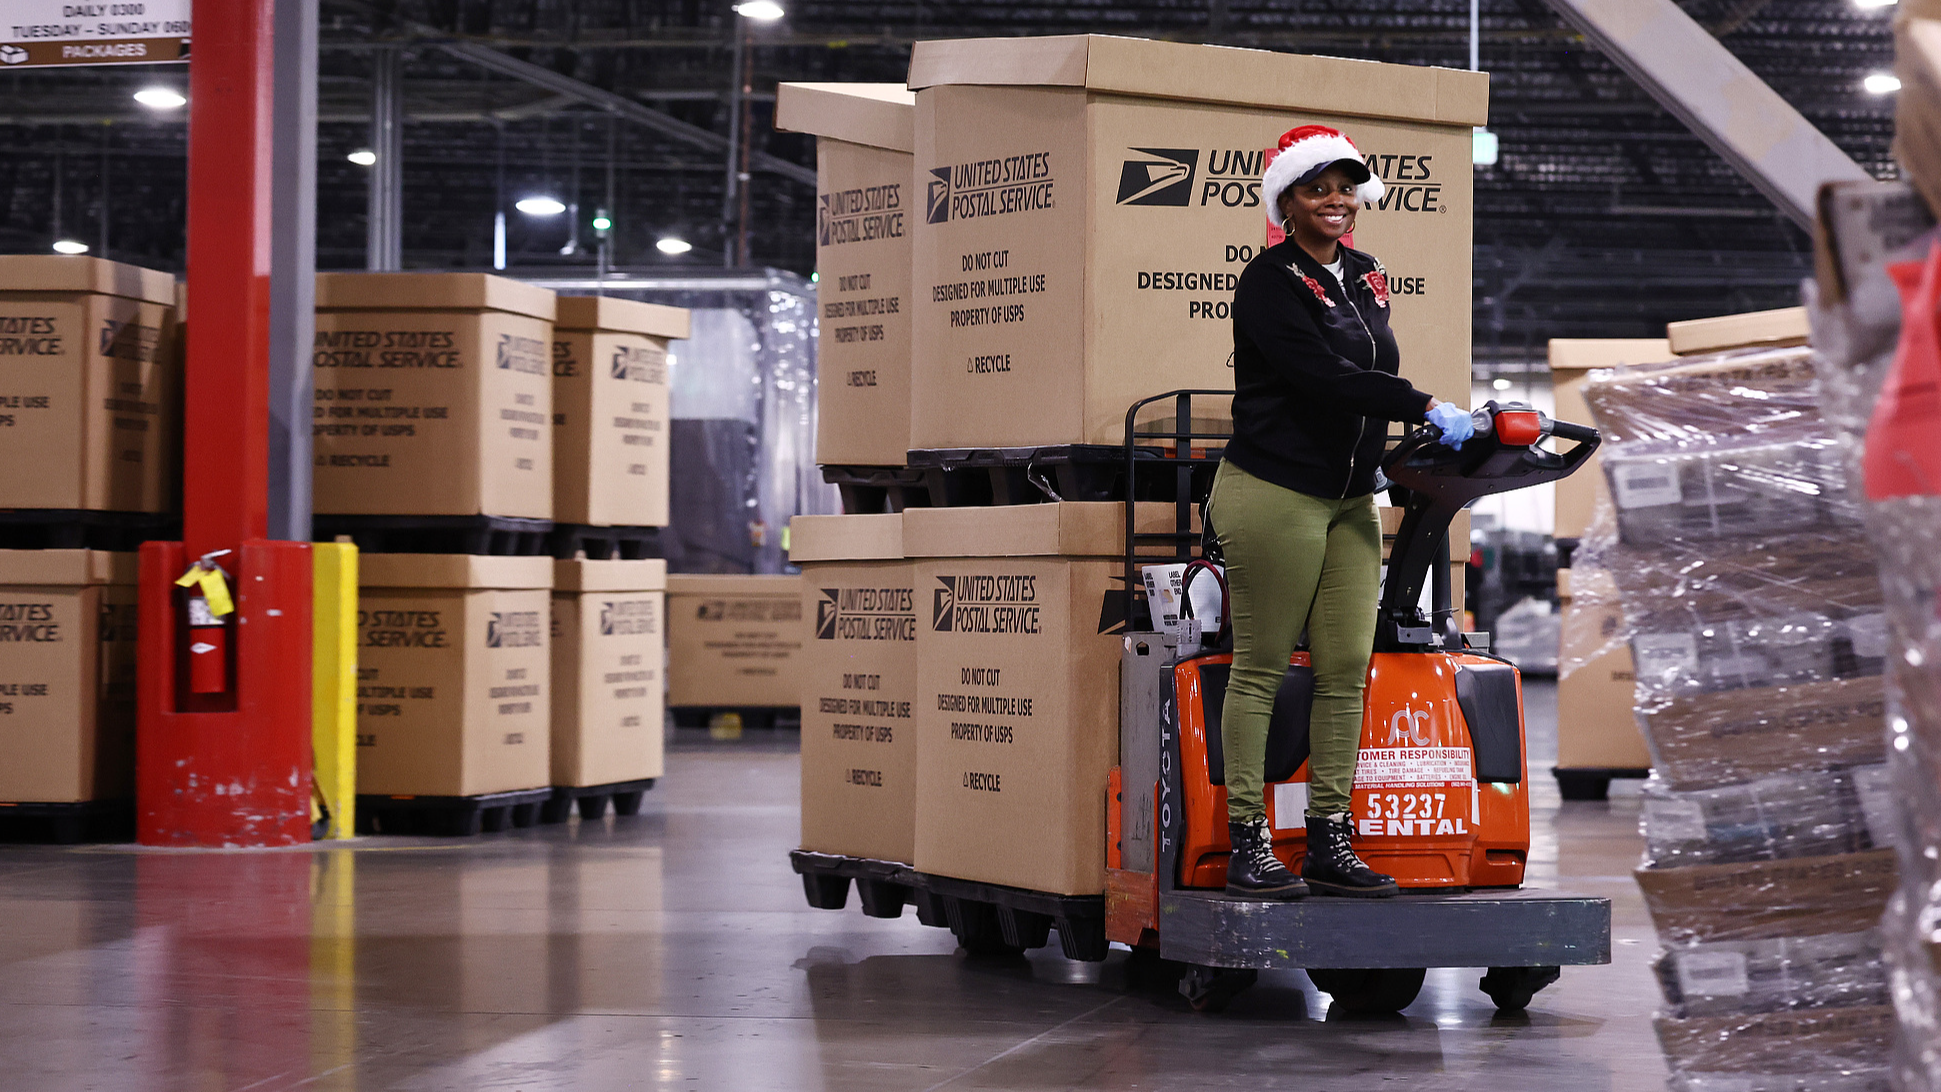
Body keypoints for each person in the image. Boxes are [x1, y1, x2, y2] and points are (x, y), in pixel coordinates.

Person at [1210, 125, 1474, 900]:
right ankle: (1247, 843)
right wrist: (1421, 402)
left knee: (1345, 673)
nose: (1335, 201)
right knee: (1259, 671)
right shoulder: (1268, 280)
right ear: (1285, 201)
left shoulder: (1363, 274)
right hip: (1274, 490)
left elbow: (1366, 365)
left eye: (1345, 186)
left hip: (1351, 497)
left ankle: (1329, 838)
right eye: (1316, 188)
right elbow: (1321, 377)